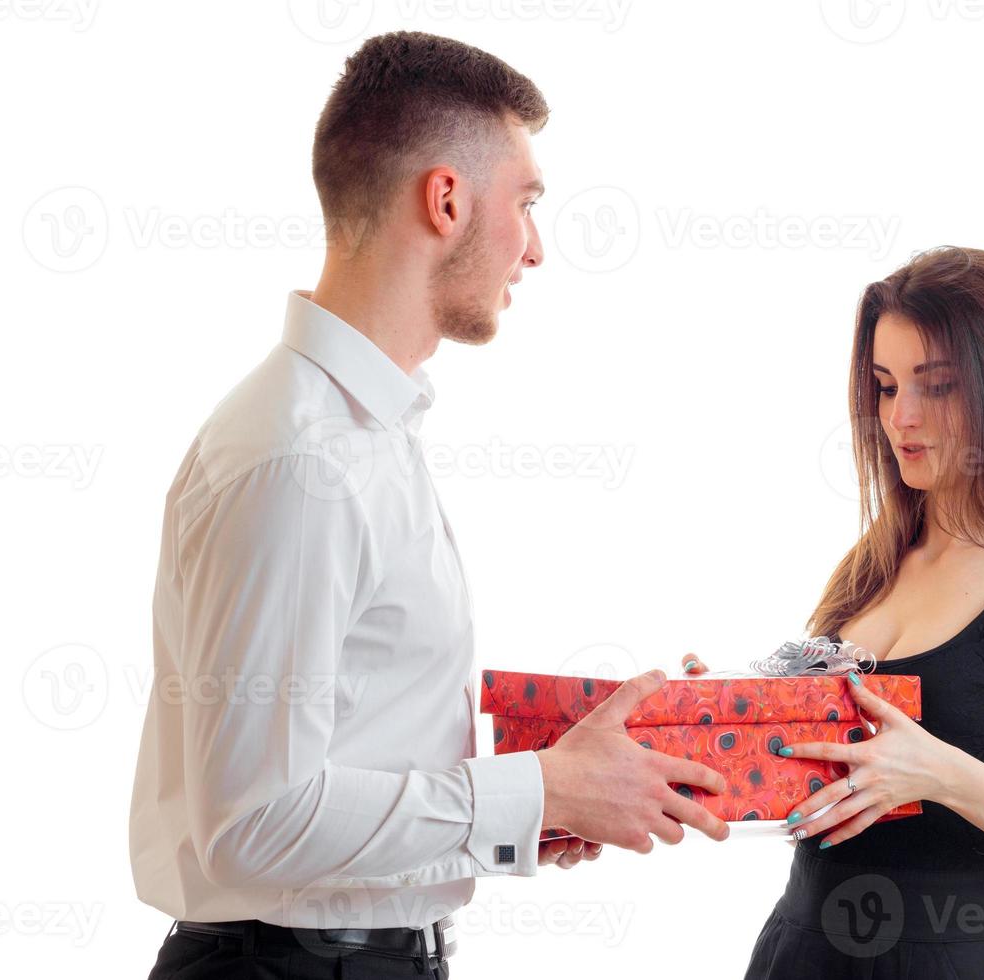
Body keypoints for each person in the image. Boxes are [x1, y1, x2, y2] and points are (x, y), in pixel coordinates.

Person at [129, 32, 729, 980]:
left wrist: (547, 801)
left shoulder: (362, 433)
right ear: (446, 201)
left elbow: (348, 754)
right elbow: (254, 826)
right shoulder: (304, 457)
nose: (535, 248)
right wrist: (531, 788)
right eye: (526, 203)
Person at [689, 247, 984, 978]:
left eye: (935, 386)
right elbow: (835, 777)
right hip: (795, 955)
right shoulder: (876, 561)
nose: (900, 416)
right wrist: (732, 716)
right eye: (885, 384)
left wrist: (940, 773)